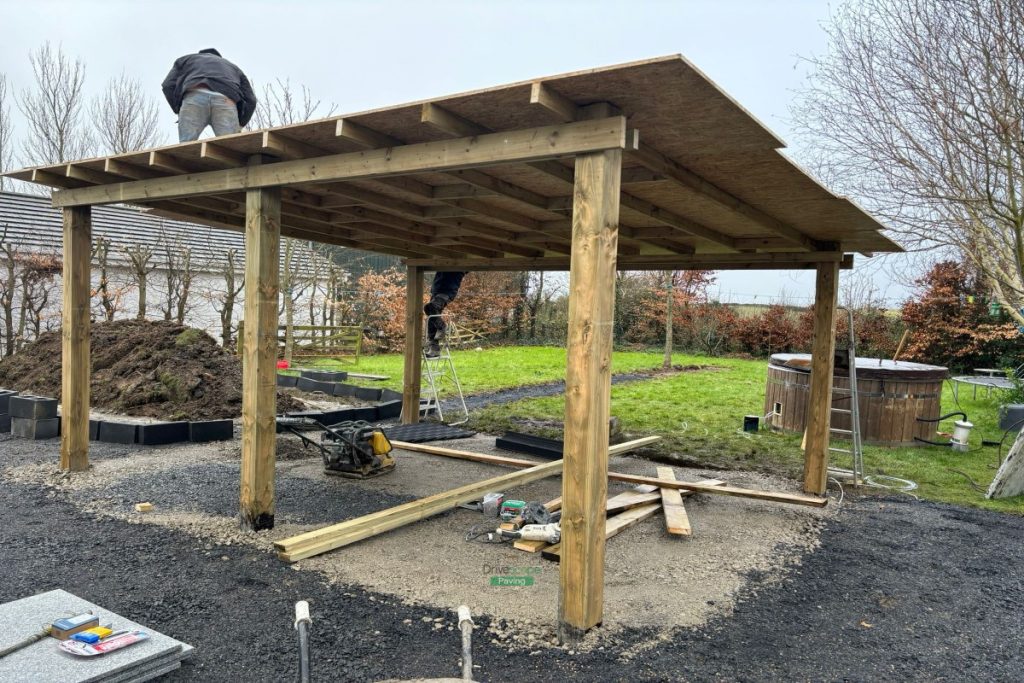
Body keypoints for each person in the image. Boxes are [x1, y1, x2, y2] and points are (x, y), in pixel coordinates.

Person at [161, 48, 257, 143]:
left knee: (186, 146)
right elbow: (251, 99)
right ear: (219, 58)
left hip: (194, 97)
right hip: (226, 100)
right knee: (230, 147)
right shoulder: (234, 67)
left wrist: (178, 108)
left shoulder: (185, 60)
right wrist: (241, 123)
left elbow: (167, 85)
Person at [423, 272, 466, 357]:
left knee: (432, 307)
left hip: (447, 292)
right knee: (430, 314)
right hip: (436, 291)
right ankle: (434, 349)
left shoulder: (458, 266)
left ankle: (442, 326)